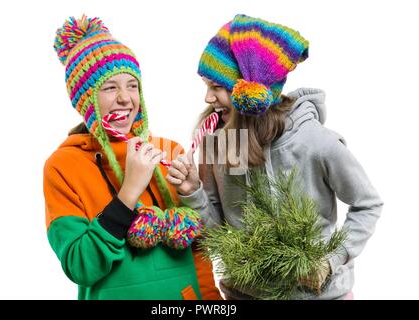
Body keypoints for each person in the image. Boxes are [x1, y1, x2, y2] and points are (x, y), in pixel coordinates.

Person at [166, 14, 383, 300]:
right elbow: (217, 231)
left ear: (249, 91)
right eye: (206, 86)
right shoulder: (219, 142)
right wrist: (193, 193)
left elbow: (367, 203)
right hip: (244, 295)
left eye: (217, 87)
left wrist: (329, 261)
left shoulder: (316, 142)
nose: (208, 98)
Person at [44, 15, 221, 300]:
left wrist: (192, 193)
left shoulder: (169, 152)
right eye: (110, 87)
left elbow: (202, 249)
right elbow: (80, 266)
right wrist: (129, 192)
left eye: (132, 85)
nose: (126, 98)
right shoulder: (62, 166)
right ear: (85, 100)